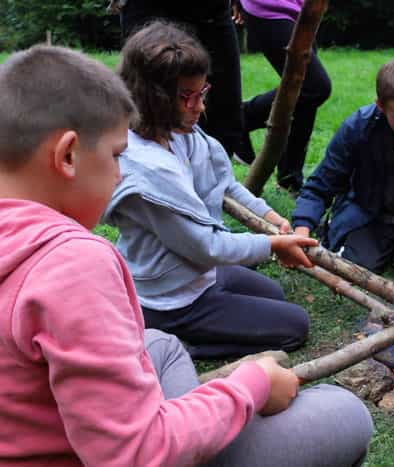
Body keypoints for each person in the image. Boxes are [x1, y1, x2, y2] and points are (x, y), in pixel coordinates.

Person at [0, 44, 373, 466]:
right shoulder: (73, 264)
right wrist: (250, 385)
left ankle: (190, 413)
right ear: (68, 155)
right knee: (345, 413)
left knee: (158, 345)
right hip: (137, 446)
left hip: (56, 427)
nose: (121, 173)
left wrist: (268, 216)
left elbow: (226, 184)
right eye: (115, 156)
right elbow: (137, 454)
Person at [102, 21, 316, 359]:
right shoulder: (145, 172)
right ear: (153, 98)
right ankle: (180, 343)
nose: (199, 107)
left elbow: (224, 183)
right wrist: (273, 245)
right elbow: (207, 246)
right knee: (295, 326)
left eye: (202, 93)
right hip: (170, 299)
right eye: (187, 97)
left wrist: (270, 217)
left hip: (200, 273)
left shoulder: (179, 131)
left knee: (274, 294)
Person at [292, 56, 394, 291]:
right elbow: (320, 185)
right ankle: (367, 244)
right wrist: (302, 229)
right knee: (356, 267)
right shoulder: (357, 128)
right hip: (368, 213)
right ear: (381, 107)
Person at [115, 0, 256, 165]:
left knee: (226, 118)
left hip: (212, 11)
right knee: (149, 113)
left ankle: (211, 182)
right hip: (150, 8)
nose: (200, 107)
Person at [235, 0, 332, 194]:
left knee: (305, 96)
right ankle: (240, 117)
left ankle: (290, 181)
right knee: (314, 87)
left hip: (302, 9)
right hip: (268, 8)